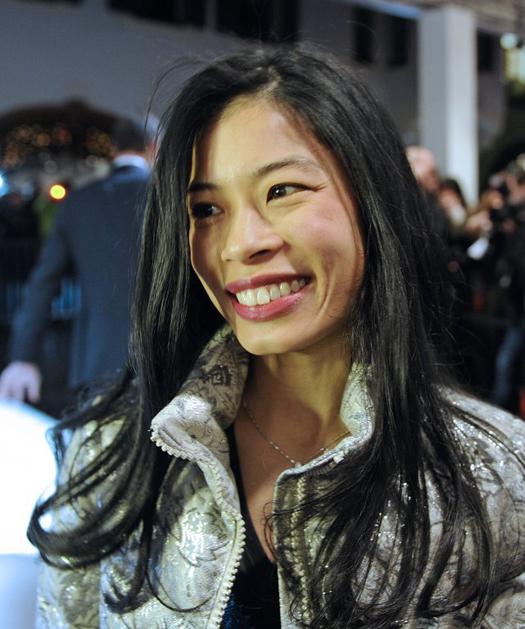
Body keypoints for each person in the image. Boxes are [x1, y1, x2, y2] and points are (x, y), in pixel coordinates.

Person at [29, 47, 525, 628]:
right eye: (206, 209)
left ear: (374, 199)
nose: (241, 243)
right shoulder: (110, 451)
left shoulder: (498, 476)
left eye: (283, 190)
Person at [0, 116, 156, 405]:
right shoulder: (167, 194)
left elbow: (43, 283)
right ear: (153, 147)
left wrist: (23, 356)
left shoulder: (79, 201)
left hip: (96, 362)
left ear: (113, 149)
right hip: (167, 358)